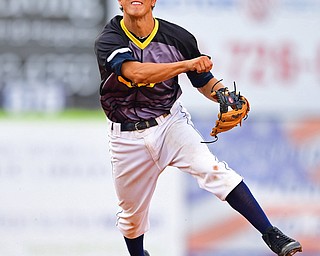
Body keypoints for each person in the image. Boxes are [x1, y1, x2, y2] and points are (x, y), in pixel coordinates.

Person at [94, 1, 302, 255]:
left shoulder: (178, 38)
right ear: (120, 2)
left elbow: (204, 82)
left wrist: (223, 94)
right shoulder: (110, 38)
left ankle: (272, 235)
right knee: (131, 218)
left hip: (169, 124)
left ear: (153, 1)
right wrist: (186, 64)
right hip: (125, 135)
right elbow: (135, 73)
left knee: (215, 172)